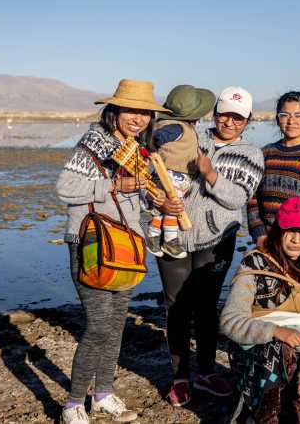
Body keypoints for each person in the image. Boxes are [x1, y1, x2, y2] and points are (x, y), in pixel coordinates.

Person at [56, 79, 173, 424]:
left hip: (128, 246)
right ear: (115, 111)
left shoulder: (138, 150)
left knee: (117, 324)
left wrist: (159, 204)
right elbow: (65, 188)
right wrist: (112, 184)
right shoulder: (95, 143)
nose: (138, 118)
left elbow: (134, 205)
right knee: (98, 326)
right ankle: (74, 403)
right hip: (91, 243)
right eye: (131, 110)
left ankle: (104, 393)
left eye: (145, 113)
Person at [158, 86, 264, 408]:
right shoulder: (192, 138)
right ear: (214, 113)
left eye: (237, 117)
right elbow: (159, 170)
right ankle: (179, 376)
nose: (229, 122)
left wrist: (211, 174)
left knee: (205, 306)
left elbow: (238, 197)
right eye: (224, 114)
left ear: (247, 121)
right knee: (175, 306)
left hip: (216, 239)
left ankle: (204, 371)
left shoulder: (250, 154)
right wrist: (160, 199)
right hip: (173, 235)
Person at [221, 197, 300, 423]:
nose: (296, 239)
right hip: (259, 357)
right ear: (278, 230)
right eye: (290, 230)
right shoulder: (254, 265)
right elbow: (229, 321)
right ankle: (261, 411)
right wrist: (275, 331)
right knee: (278, 347)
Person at [248, 91, 300, 244]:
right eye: (285, 115)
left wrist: (290, 235)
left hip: (299, 239)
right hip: (266, 239)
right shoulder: (265, 153)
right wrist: (259, 233)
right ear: (277, 119)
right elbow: (252, 198)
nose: (291, 121)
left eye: (299, 116)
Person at [146, 84, 217, 259]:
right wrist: (152, 145)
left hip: (172, 175)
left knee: (163, 210)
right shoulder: (177, 128)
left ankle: (153, 236)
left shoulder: (174, 125)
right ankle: (170, 241)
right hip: (172, 176)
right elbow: (157, 138)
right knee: (174, 208)